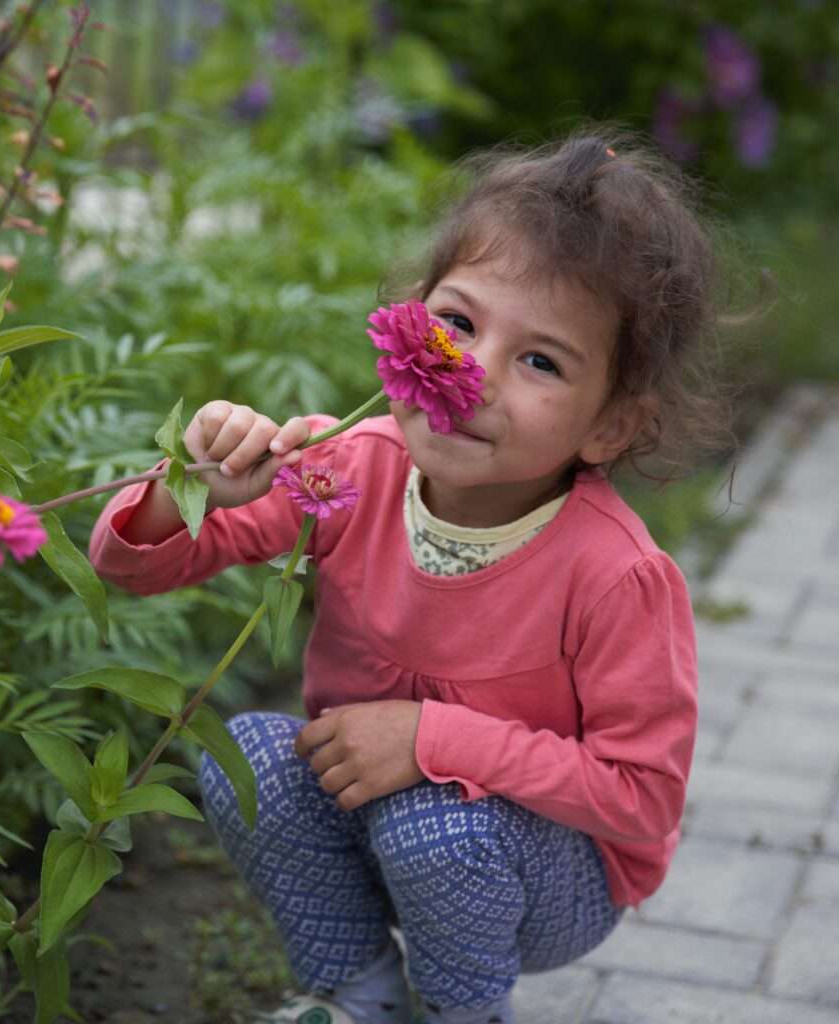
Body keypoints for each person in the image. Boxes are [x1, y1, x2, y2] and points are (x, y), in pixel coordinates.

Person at [90, 127, 731, 1024]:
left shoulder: (616, 576)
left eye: (539, 361)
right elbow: (130, 566)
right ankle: (359, 998)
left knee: (437, 826)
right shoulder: (346, 467)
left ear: (611, 427)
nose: (469, 373)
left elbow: (643, 797)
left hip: (545, 878)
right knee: (250, 759)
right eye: (458, 324)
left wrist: (434, 737)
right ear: (411, 314)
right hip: (367, 819)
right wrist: (192, 485)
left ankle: (462, 1010)